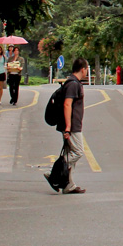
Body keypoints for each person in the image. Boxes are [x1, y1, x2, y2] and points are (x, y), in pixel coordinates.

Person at [46, 58, 89, 195]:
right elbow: (67, 104)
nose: (87, 72)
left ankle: (69, 185)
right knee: (77, 152)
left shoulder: (73, 83)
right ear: (83, 69)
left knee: (71, 153)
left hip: (72, 125)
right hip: (71, 126)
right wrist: (68, 128)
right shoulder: (73, 84)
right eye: (87, 69)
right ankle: (54, 174)